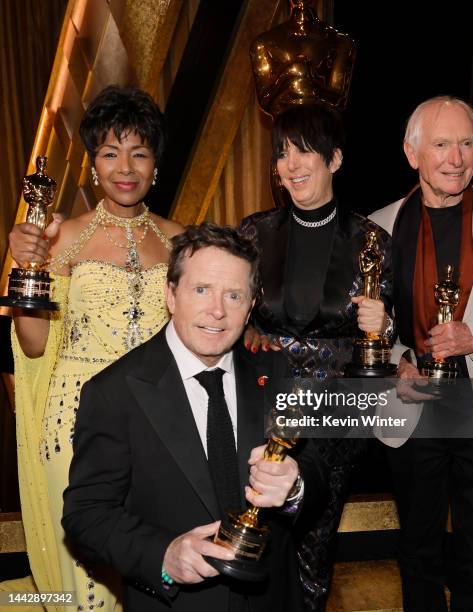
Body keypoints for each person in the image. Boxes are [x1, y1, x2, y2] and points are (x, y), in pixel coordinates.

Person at [62, 223, 328, 612]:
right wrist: (164, 555)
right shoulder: (114, 392)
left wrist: (296, 486)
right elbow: (86, 515)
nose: (217, 311)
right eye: (201, 290)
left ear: (251, 306)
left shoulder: (277, 372)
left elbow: (317, 472)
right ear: (171, 295)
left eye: (234, 295)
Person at [7, 85, 182, 610]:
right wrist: (28, 268)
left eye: (139, 152)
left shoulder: (182, 241)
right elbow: (34, 346)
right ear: (91, 165)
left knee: (157, 569)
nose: (124, 167)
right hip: (74, 421)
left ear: (155, 165)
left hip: (158, 421)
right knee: (91, 583)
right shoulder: (61, 239)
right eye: (110, 153)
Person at [240, 103, 394, 611]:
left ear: (336, 158)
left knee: (313, 540)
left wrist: (383, 325)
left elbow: (384, 337)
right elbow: (232, 312)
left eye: (305, 149)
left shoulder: (371, 242)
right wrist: (248, 331)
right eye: (282, 152)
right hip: (262, 402)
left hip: (335, 412)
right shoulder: (254, 235)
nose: (292, 163)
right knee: (254, 533)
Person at [369, 96, 473, 611]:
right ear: (412, 154)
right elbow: (368, 324)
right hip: (412, 404)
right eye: (441, 144)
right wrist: (399, 356)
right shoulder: (378, 227)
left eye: (466, 142)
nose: (456, 157)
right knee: (417, 552)